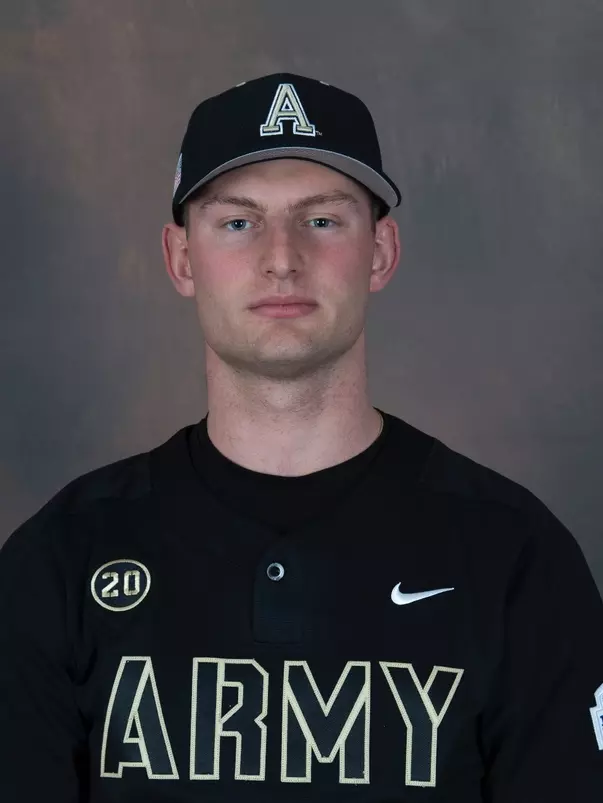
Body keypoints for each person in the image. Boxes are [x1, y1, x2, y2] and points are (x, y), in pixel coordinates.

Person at [0, 71, 602, 803]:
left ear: (379, 251)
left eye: (321, 220)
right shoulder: (61, 558)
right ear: (181, 258)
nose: (281, 258)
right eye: (237, 221)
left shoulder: (515, 558)